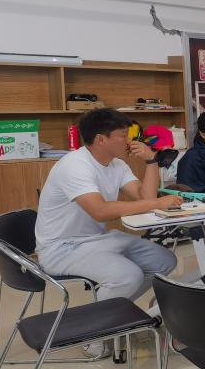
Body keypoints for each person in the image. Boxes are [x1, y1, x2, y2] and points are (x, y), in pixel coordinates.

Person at [35, 109, 181, 354]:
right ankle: (94, 337)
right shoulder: (74, 165)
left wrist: (151, 161)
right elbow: (100, 211)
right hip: (61, 248)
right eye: (123, 135)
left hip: (95, 240)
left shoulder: (117, 164)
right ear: (101, 139)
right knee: (128, 276)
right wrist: (157, 203)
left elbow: (145, 197)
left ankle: (112, 313)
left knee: (163, 261)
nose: (129, 140)